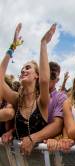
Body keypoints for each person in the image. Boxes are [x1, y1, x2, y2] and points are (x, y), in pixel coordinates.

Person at [0, 23, 55, 155]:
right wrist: (12, 47)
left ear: (37, 75)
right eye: (22, 69)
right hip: (20, 164)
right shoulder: (16, 100)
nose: (24, 70)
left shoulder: (42, 101)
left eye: (28, 67)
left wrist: (43, 44)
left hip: (43, 162)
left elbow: (44, 81)